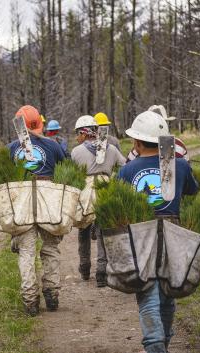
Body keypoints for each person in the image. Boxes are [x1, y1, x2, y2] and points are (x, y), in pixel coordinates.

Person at [117, 110, 199, 353]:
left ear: (138, 142)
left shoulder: (128, 170)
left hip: (141, 234)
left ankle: (154, 345)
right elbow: (192, 190)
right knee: (167, 292)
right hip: (173, 233)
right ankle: (163, 341)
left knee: (147, 291)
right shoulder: (181, 165)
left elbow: (118, 202)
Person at [7, 105, 66, 316]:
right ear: (39, 124)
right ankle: (51, 293)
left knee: (26, 251)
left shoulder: (12, 148)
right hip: (49, 199)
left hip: (21, 200)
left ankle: (30, 300)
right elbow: (65, 168)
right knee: (50, 248)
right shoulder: (53, 145)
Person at [70, 115, 126, 287]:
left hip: (85, 193)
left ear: (84, 133)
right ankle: (102, 272)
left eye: (78, 134)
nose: (77, 137)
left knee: (83, 230)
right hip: (105, 191)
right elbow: (124, 166)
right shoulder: (112, 149)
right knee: (103, 232)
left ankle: (84, 267)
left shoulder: (76, 152)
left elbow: (72, 175)